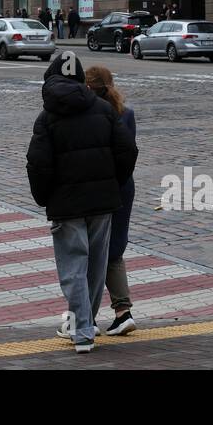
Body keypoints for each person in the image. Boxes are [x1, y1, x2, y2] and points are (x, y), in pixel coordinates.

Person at [26, 51, 137, 354]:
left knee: (74, 267)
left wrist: (44, 197)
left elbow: (37, 163)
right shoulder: (103, 109)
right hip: (102, 203)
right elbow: (128, 151)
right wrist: (112, 183)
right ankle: (83, 324)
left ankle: (83, 331)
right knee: (95, 268)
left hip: (66, 206)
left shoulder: (47, 117)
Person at [84, 65, 139, 337]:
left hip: (99, 190)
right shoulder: (125, 113)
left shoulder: (91, 115)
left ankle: (88, 317)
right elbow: (129, 154)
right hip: (123, 188)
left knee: (91, 252)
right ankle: (122, 312)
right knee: (113, 250)